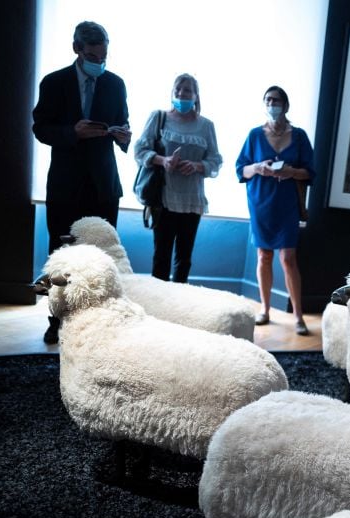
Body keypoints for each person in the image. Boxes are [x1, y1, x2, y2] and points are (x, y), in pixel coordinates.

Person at [32, 20, 131, 344]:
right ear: (77, 50)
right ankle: (55, 319)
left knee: (101, 256)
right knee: (61, 254)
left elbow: (122, 121)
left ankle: (97, 322)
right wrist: (71, 132)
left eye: (104, 57)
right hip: (65, 182)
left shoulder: (115, 84)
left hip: (103, 184)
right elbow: (40, 128)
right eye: (93, 56)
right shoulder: (54, 82)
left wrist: (123, 134)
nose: (99, 63)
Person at [235, 86, 315, 336]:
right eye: (268, 100)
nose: (272, 104)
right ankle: (265, 309)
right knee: (264, 256)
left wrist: (290, 171)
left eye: (276, 100)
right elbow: (241, 170)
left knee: (288, 258)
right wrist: (258, 166)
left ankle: (299, 315)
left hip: (287, 203)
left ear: (286, 105)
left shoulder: (300, 136)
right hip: (261, 202)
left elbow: (310, 173)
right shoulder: (254, 135)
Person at [134, 73, 222, 283]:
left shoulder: (207, 125)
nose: (182, 94)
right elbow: (139, 150)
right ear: (172, 93)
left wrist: (197, 165)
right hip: (163, 199)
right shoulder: (158, 117)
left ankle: (179, 306)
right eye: (178, 90)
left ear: (196, 95)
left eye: (187, 90)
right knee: (161, 257)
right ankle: (158, 306)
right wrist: (163, 161)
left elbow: (215, 160)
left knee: (184, 260)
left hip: (192, 201)